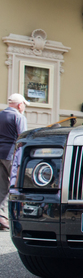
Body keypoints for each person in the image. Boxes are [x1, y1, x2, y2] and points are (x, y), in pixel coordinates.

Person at [0, 93, 29, 230]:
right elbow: (22, 138)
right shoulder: (18, 116)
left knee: (2, 186)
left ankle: (1, 216)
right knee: (14, 185)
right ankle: (13, 217)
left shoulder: (0, 115)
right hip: (11, 154)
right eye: (23, 104)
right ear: (20, 105)